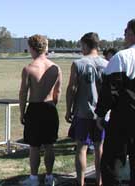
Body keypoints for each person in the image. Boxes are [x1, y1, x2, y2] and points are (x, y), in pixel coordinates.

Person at [95, 19, 135, 186]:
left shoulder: (122, 57)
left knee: (111, 162)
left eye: (126, 32)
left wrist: (100, 114)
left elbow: (111, 92)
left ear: (132, 33)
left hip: (124, 118)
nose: (124, 35)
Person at [65, 32, 108, 186]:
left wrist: (68, 109)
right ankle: (99, 181)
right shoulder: (106, 64)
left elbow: (72, 88)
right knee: (99, 148)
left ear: (85, 45)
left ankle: (80, 181)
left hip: (83, 112)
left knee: (81, 148)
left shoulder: (78, 64)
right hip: (101, 115)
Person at [19, 34, 62, 186]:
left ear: (31, 48)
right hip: (50, 107)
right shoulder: (56, 68)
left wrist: (22, 112)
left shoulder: (29, 68)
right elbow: (58, 92)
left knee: (34, 146)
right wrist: (52, 105)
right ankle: (50, 177)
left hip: (35, 108)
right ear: (46, 48)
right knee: (49, 145)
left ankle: (34, 178)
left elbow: (23, 93)